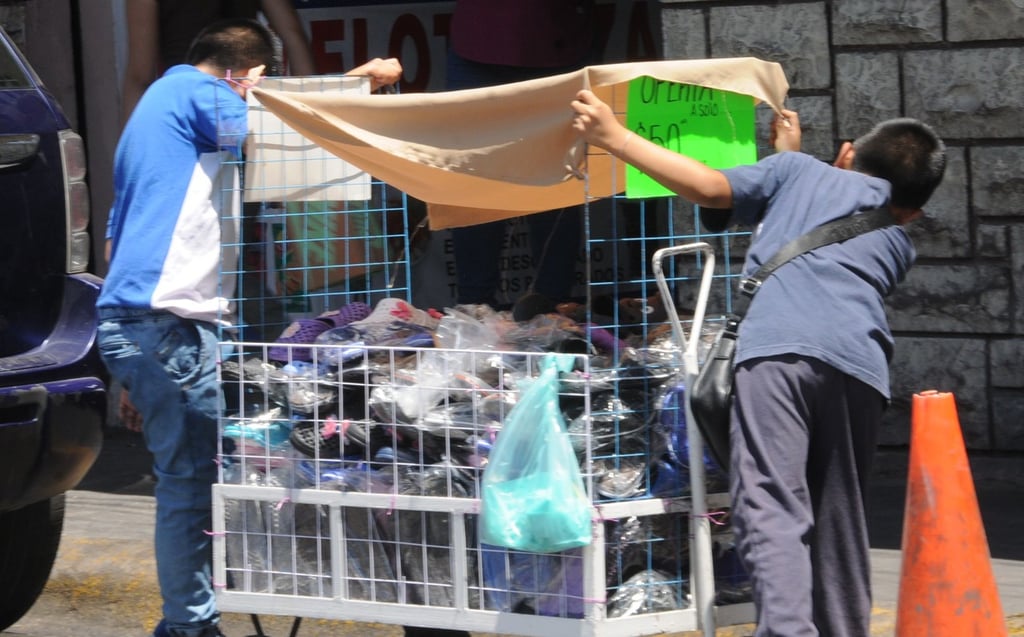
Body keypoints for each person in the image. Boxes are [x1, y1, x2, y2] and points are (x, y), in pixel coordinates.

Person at [570, 90, 946, 636]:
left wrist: (613, 137)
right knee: (838, 520)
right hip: (861, 366)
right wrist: (788, 160)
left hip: (777, 354)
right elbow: (824, 225)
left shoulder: (795, 170)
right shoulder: (897, 239)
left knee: (772, 503)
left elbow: (709, 186)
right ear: (914, 209)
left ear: (844, 152)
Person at [98, 19, 401, 637]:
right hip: (169, 326)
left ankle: (193, 621)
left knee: (194, 479)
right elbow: (284, 129)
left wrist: (135, 371)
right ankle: (188, 627)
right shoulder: (194, 93)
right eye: (256, 85)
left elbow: (114, 236)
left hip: (148, 328)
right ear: (248, 76)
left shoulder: (154, 115)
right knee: (189, 488)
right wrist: (361, 81)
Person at [445, 0, 597, 319]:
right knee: (475, 179)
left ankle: (551, 311)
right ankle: (475, 310)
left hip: (557, 42)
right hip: (478, 41)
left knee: (556, 182)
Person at [120, 0, 317, 124]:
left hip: (188, 110)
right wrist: (310, 118)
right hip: (242, 103)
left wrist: (129, 157)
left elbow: (140, 76)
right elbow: (294, 36)